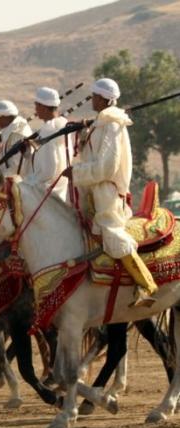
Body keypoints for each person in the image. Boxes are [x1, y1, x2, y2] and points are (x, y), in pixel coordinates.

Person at [63, 78, 157, 307]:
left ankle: (146, 285)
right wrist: (83, 132)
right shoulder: (102, 122)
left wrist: (76, 172)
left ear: (102, 98)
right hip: (95, 191)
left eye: (94, 96)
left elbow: (107, 166)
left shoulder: (112, 124)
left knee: (112, 235)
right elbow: (92, 154)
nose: (92, 99)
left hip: (108, 194)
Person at [24, 87, 71, 202]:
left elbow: (48, 170)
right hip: (61, 189)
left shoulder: (48, 130)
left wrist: (28, 183)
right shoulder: (62, 125)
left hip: (46, 193)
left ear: (43, 107)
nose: (36, 110)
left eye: (37, 106)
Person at [0, 100, 33, 177]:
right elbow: (10, 161)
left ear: (2, 117)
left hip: (18, 183)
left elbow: (19, 168)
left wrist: (0, 179)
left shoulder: (17, 134)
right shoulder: (11, 131)